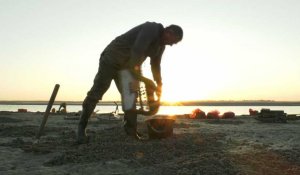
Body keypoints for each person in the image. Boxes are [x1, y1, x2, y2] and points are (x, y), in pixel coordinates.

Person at [77, 21, 183, 143]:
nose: (171, 45)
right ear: (168, 32)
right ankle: (81, 129)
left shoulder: (161, 46)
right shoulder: (151, 28)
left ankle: (131, 131)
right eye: (173, 41)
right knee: (97, 91)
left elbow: (155, 65)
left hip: (127, 67)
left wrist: (159, 85)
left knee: (130, 97)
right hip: (112, 59)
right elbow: (137, 52)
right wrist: (145, 80)